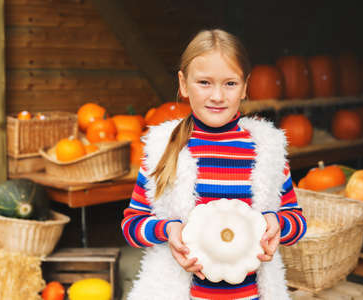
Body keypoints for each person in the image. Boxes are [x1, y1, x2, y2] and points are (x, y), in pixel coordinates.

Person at [121, 29, 306, 300]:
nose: (217, 96)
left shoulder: (266, 149)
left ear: (245, 86)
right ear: (183, 84)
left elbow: (296, 218)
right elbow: (132, 224)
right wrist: (166, 229)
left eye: (230, 83)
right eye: (204, 82)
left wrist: (276, 222)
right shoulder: (163, 149)